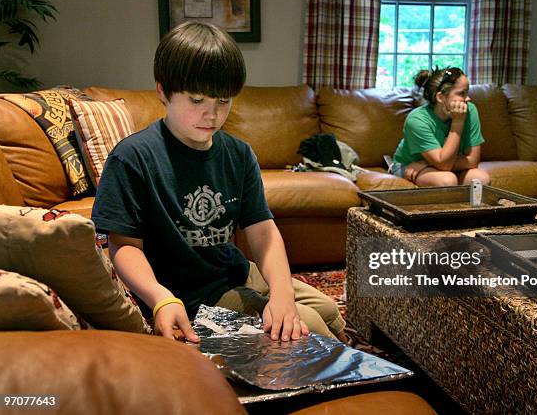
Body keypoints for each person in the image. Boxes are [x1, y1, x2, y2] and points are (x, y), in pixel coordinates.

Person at [91, 21, 346, 344]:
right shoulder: (132, 157)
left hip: (233, 271)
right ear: (162, 92)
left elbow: (263, 231)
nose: (211, 115)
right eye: (196, 101)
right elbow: (123, 245)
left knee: (325, 309)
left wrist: (281, 293)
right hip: (188, 295)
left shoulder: (238, 154)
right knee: (306, 327)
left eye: (223, 102)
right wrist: (161, 298)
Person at [391, 67, 490, 187]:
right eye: (461, 93)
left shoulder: (470, 109)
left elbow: (473, 160)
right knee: (447, 180)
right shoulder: (417, 120)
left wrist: (426, 163)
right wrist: (457, 124)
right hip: (409, 166)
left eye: (467, 92)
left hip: (432, 163)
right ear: (440, 97)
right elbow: (444, 165)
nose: (468, 98)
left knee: (481, 179)